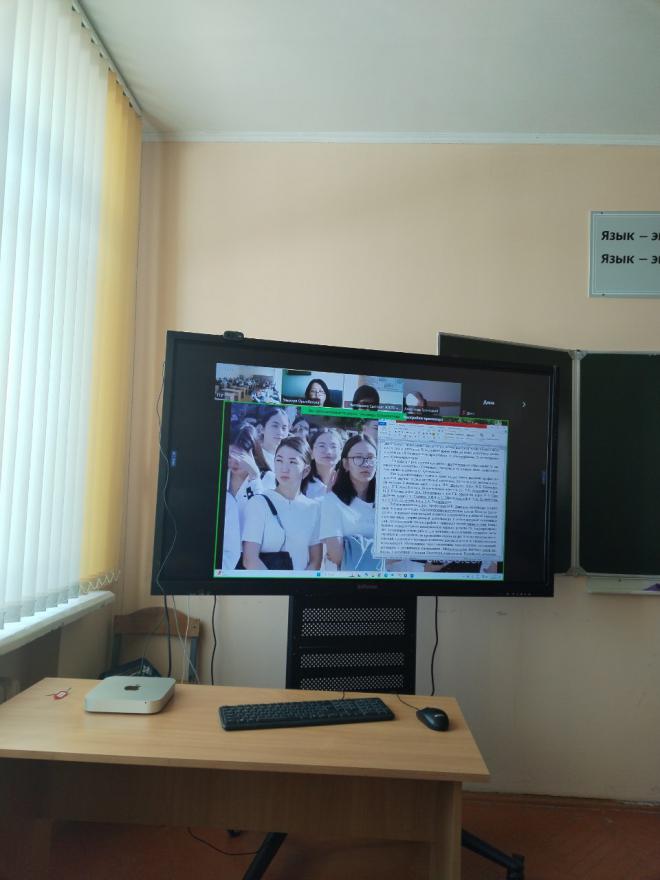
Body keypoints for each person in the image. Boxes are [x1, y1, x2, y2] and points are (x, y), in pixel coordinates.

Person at [242, 436, 322, 571]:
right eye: (279, 460)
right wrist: (278, 584)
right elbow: (249, 560)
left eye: (292, 462)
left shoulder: (314, 508)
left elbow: (316, 561)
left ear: (306, 470)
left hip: (301, 583)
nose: (284, 468)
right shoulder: (258, 503)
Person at [319, 434, 378, 570]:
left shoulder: (385, 503)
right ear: (346, 464)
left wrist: (352, 548)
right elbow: (337, 556)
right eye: (358, 458)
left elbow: (398, 551)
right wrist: (384, 554)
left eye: (370, 458)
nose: (365, 464)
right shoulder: (332, 501)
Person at [253, 407, 290, 487]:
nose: (280, 432)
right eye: (275, 426)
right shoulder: (253, 456)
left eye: (284, 428)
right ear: (262, 429)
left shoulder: (290, 460)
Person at [306, 428, 342, 498]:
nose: (328, 451)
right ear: (311, 452)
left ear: (341, 452)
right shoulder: (301, 484)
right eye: (322, 446)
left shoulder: (348, 484)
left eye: (333, 446)